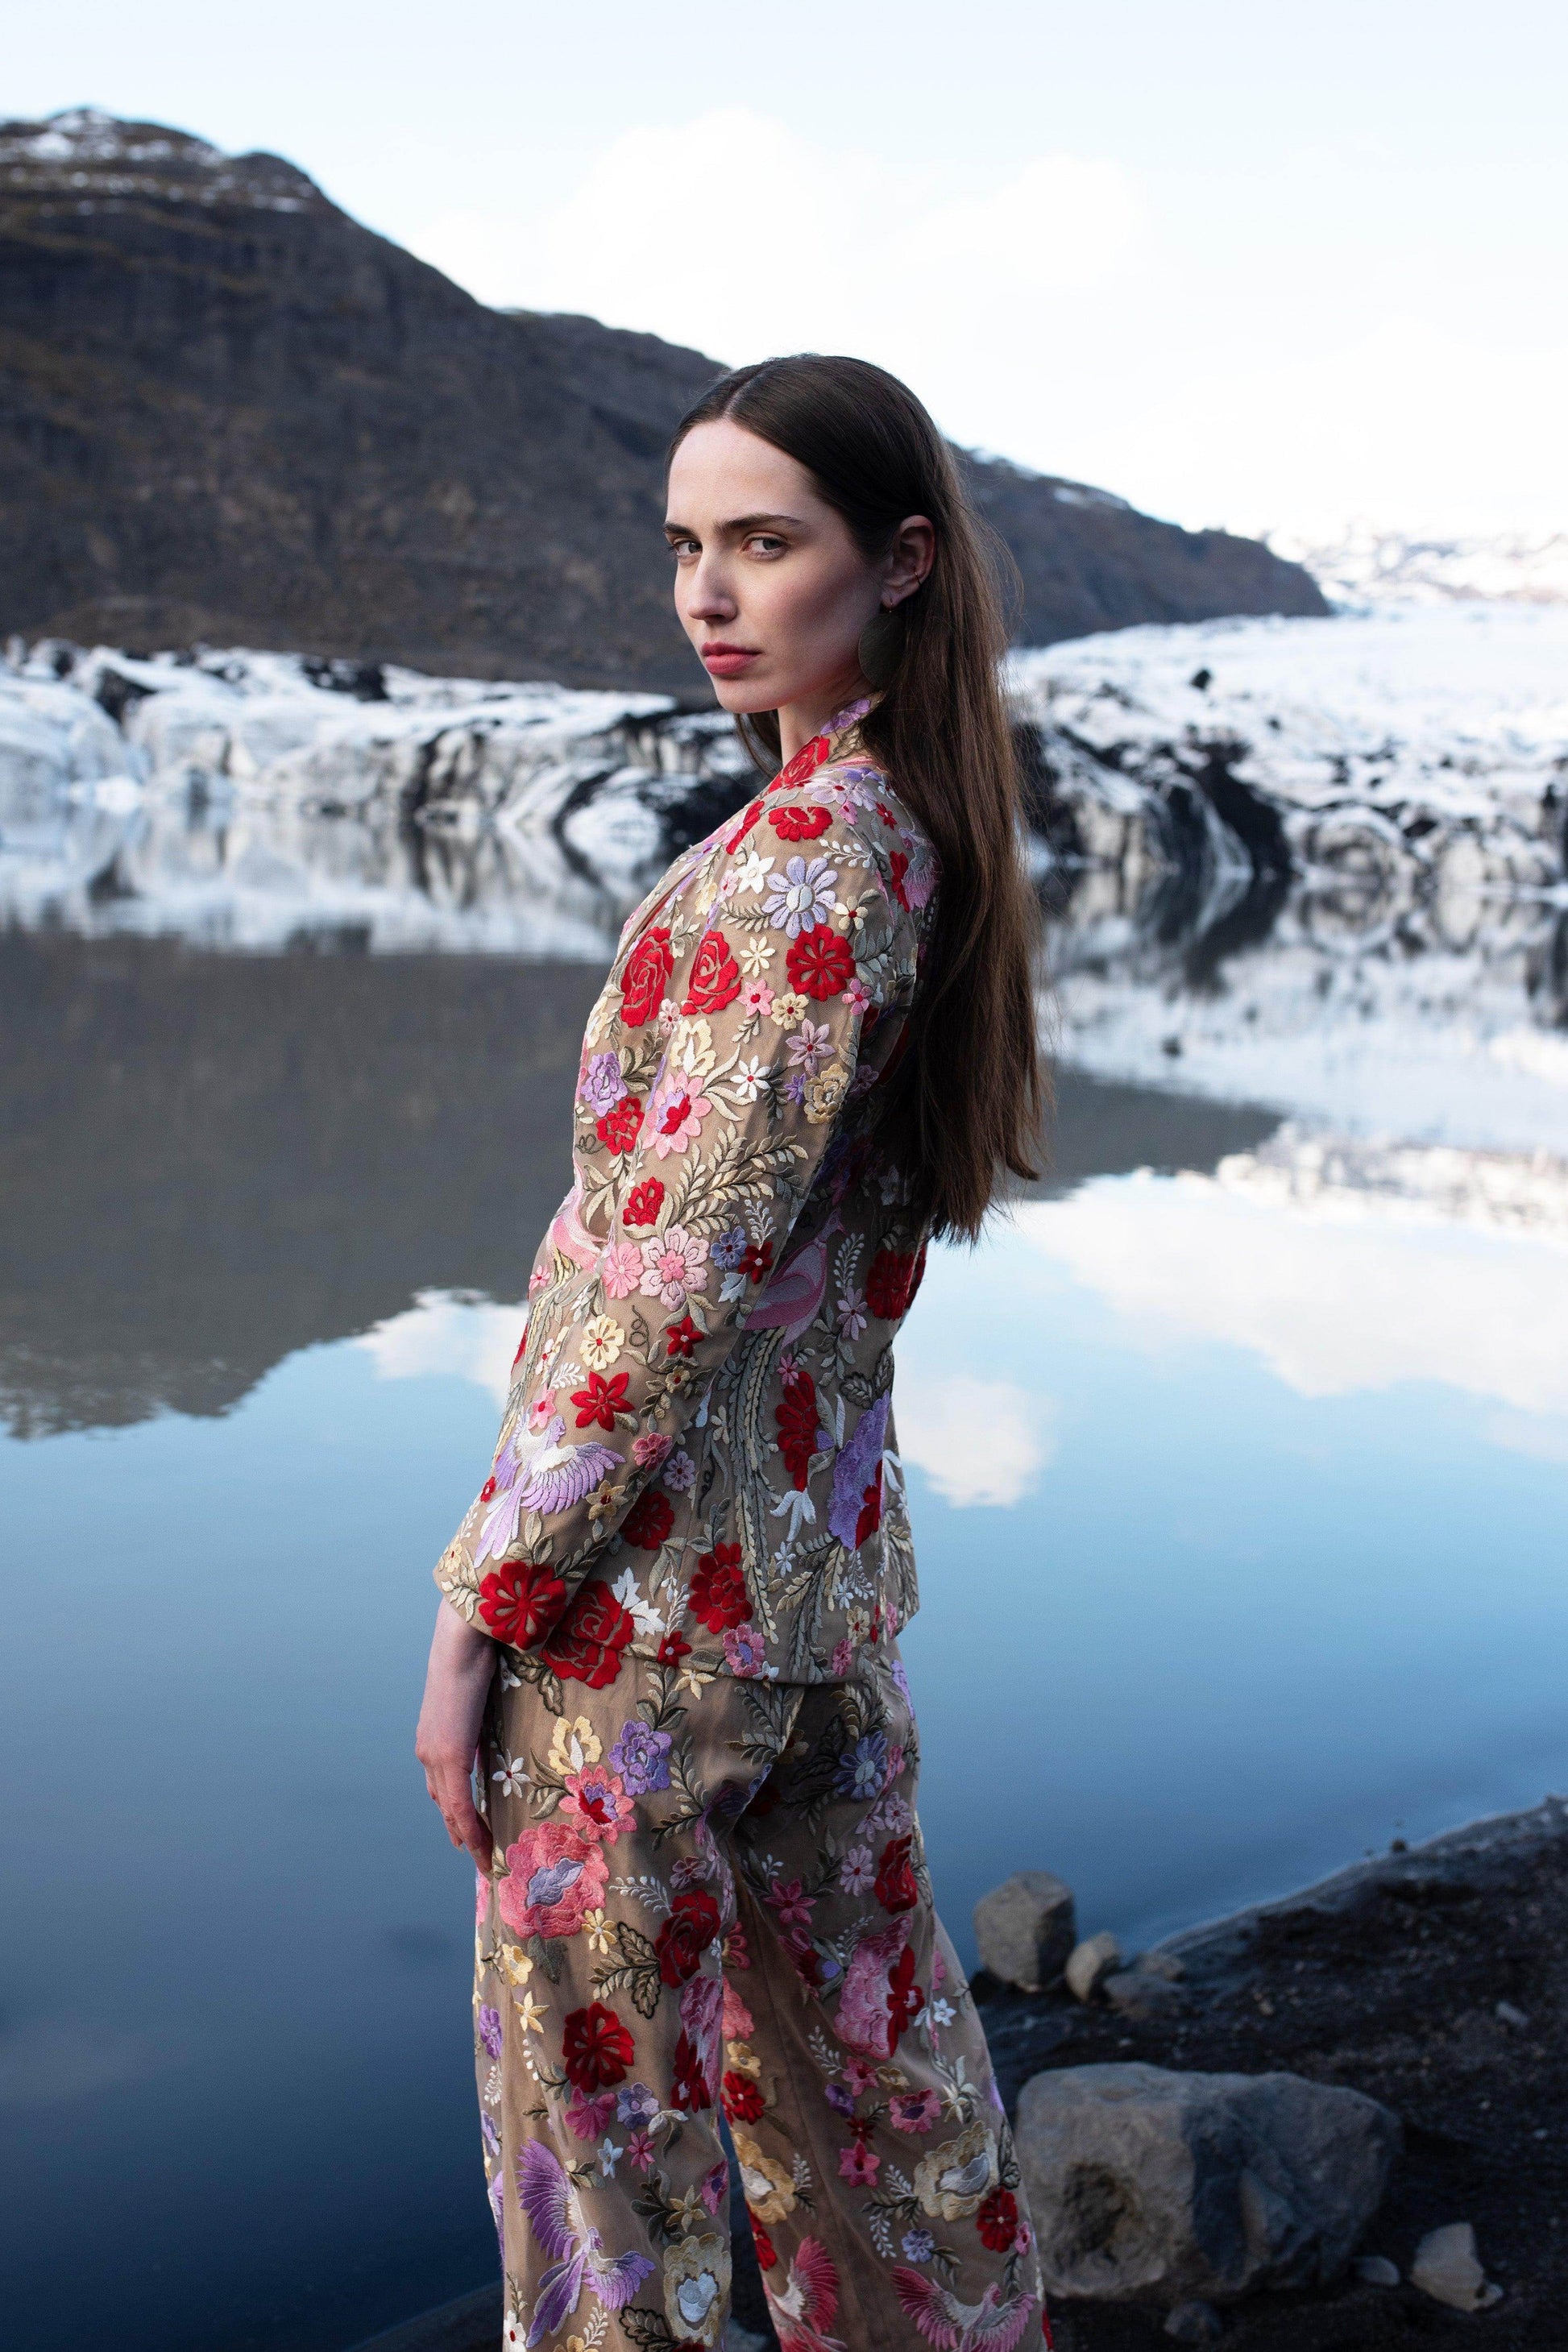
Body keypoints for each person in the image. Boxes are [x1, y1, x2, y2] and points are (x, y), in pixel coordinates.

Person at [416, 354, 1050, 2352]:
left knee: (613, 2186)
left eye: (764, 542)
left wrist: (482, 1598)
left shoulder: (802, 865)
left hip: (640, 1634)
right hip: (816, 1607)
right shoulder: (915, 835)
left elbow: (658, 1286)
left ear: (902, 561)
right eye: (686, 543)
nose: (707, 590)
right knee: (891, 2116)